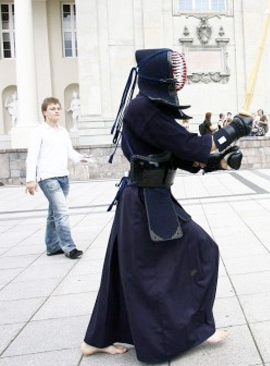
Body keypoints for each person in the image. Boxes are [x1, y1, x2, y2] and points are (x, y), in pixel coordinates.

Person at [80, 48, 252, 363]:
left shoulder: (147, 109)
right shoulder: (144, 109)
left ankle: (96, 339)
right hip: (145, 202)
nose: (176, 80)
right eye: (173, 75)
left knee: (126, 272)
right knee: (199, 250)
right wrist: (234, 130)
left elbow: (179, 156)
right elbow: (191, 146)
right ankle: (195, 328)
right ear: (161, 76)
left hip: (147, 198)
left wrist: (219, 164)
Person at [25, 97, 88, 259]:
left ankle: (53, 246)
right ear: (45, 112)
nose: (57, 111)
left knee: (54, 213)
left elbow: (70, 152)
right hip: (47, 177)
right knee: (62, 212)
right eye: (53, 108)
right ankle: (69, 247)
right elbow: (32, 157)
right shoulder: (38, 132)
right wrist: (30, 179)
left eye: (59, 108)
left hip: (63, 177)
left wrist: (82, 158)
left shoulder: (63, 131)